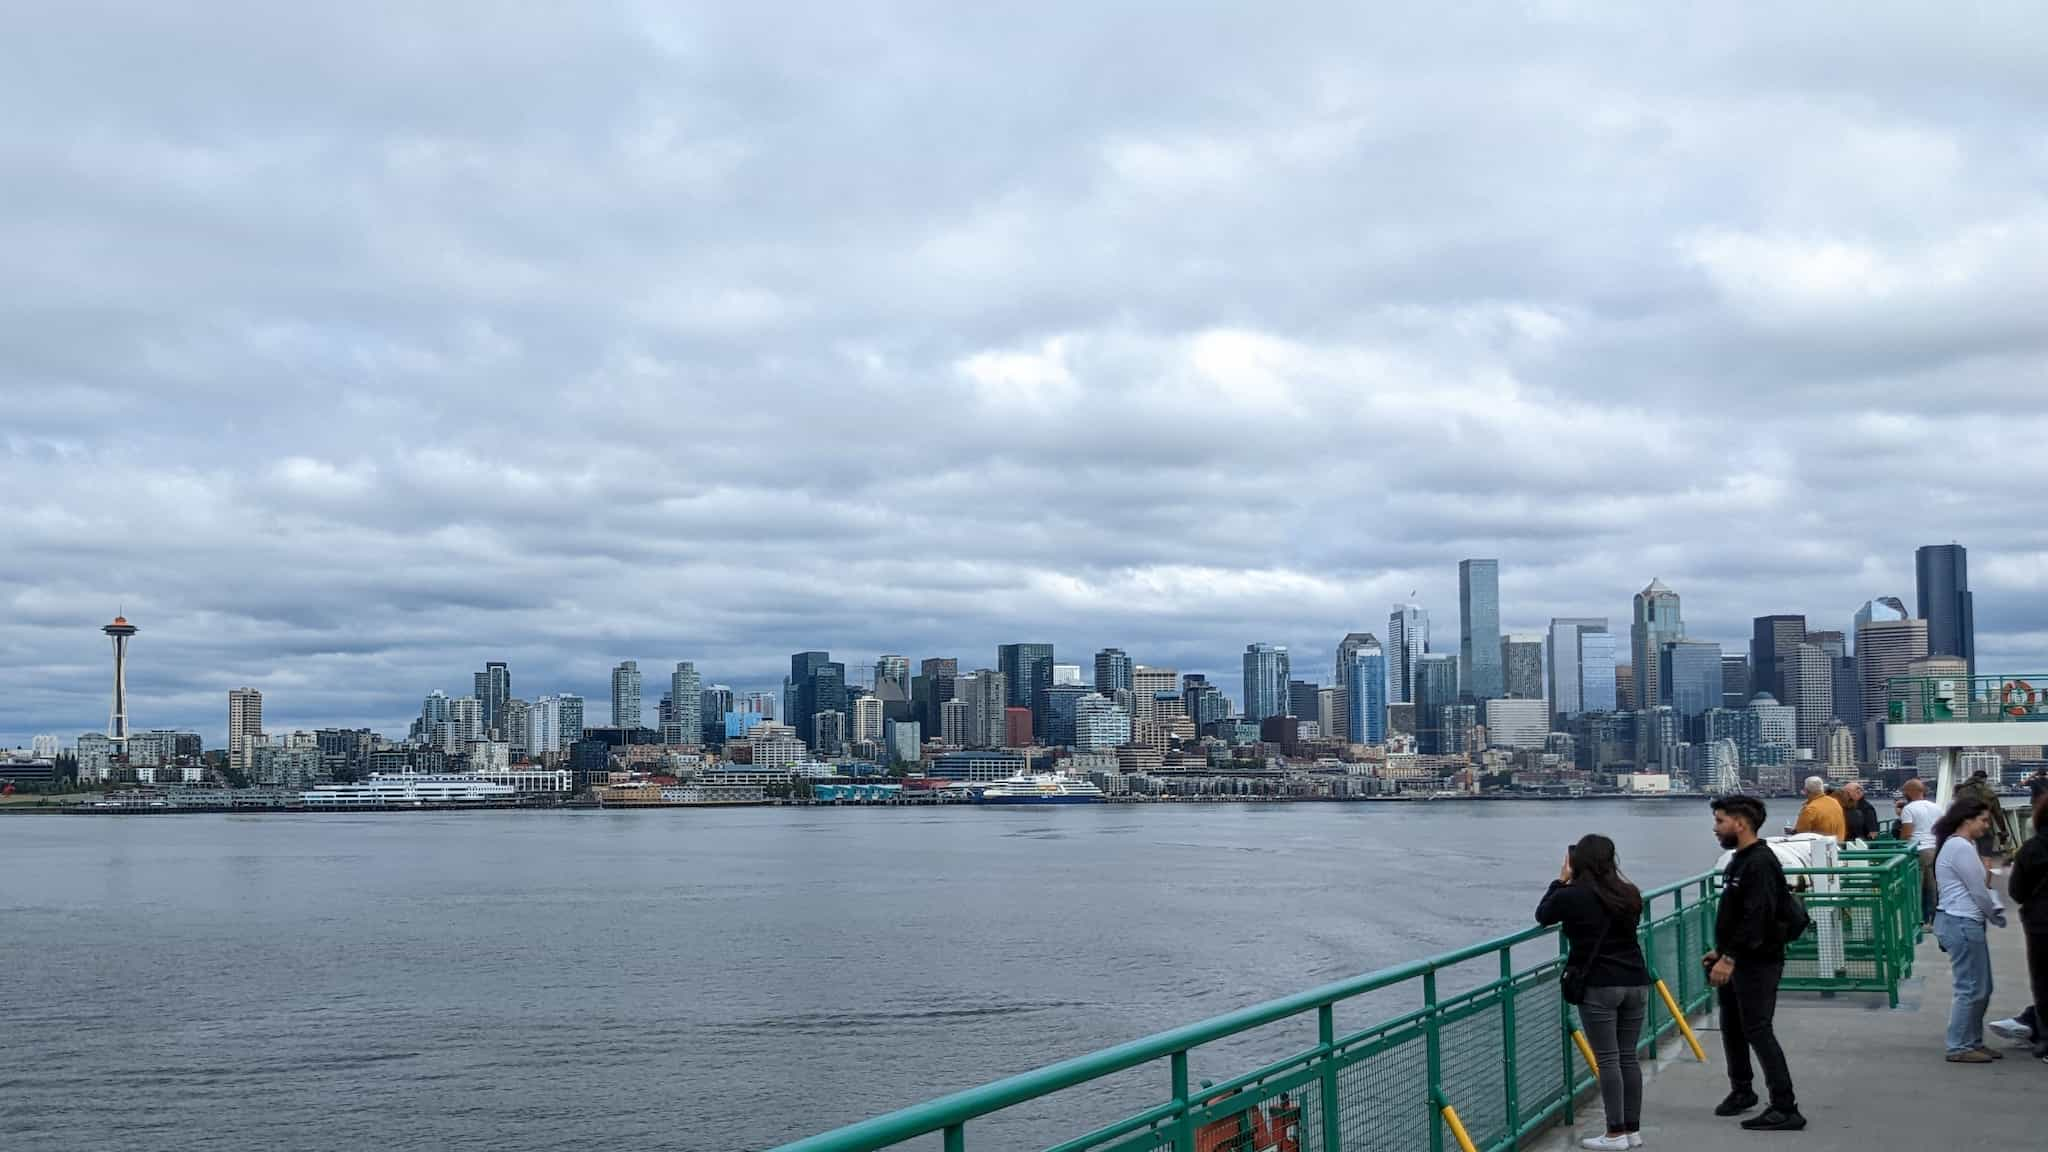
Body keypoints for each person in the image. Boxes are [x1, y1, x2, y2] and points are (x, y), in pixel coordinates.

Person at [1537, 834, 1652, 1151]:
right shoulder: (1629, 894)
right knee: (1629, 1057)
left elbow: (1543, 915)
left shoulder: (1572, 895)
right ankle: (1632, 1131)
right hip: (1635, 980)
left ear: (1577, 862)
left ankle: (1614, 1133)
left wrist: (1560, 881)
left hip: (1600, 984)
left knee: (1608, 1059)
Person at [1704, 795, 1804, 1132]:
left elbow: (1757, 916)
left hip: (1758, 962)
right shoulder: (1738, 861)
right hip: (1736, 958)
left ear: (1740, 823)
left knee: (1758, 1030)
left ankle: (1785, 1106)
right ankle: (1742, 1091)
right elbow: (1737, 914)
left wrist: (1730, 958)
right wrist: (1721, 952)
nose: (1715, 828)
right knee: (1732, 1026)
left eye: (1720, 821)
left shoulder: (1760, 862)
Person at [1932, 796, 2006, 1062]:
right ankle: (1959, 1046)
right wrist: (1996, 915)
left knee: (1981, 986)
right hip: (1961, 921)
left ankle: (1972, 1040)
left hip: (1959, 921)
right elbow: (1979, 890)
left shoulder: (1960, 845)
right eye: (1983, 820)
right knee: (1972, 987)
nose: (1987, 825)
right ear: (1967, 819)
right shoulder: (1961, 847)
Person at [1992, 790, 2048, 1062]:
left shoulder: (2031, 849)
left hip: (2041, 924)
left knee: (2044, 981)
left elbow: (2017, 891)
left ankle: (2045, 1040)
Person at [1897, 779, 1944, 926]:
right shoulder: (1936, 807)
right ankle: (1935, 919)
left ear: (1911, 792)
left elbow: (1907, 834)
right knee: (1933, 887)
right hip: (1935, 849)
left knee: (1917, 888)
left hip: (1919, 850)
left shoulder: (1908, 809)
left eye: (1905, 791)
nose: (1904, 794)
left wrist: (1899, 844)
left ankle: (1919, 920)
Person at [1792, 776, 1846, 842]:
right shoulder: (1835, 802)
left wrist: (1793, 832)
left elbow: (1801, 834)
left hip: (1820, 847)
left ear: (1806, 790)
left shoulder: (1810, 809)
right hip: (1838, 844)